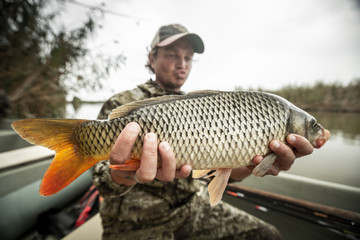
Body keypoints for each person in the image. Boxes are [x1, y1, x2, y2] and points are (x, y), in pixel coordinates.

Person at [92, 24, 314, 240]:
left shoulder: (203, 108)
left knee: (268, 235)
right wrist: (125, 171)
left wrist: (254, 162)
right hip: (135, 221)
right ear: (152, 58)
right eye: (172, 55)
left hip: (191, 208)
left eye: (188, 58)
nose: (182, 64)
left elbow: (222, 168)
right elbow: (101, 181)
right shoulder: (121, 103)